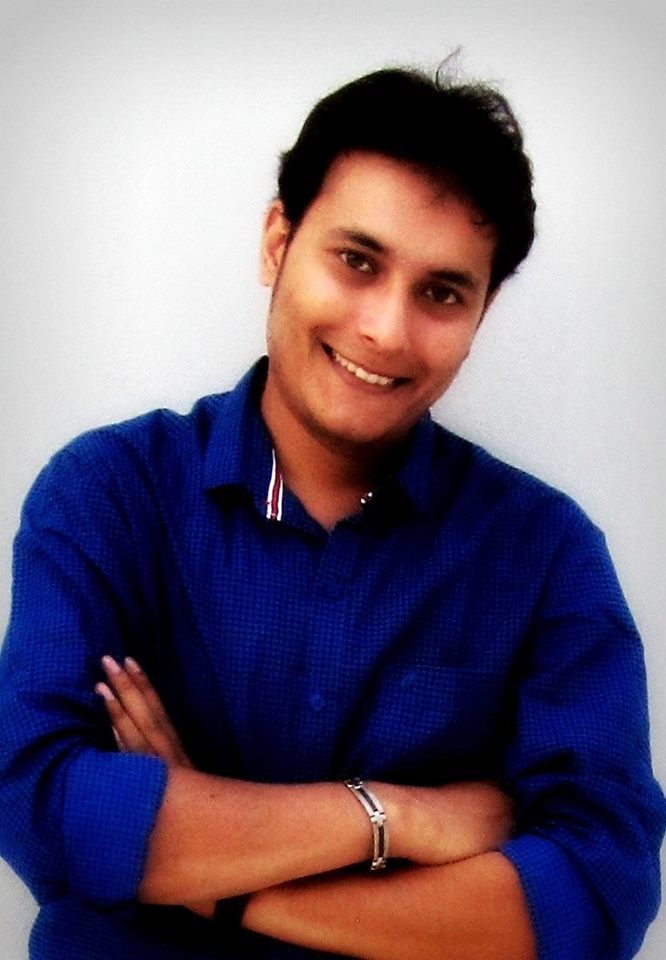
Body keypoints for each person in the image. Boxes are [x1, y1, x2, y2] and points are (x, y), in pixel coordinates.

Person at [0, 65, 663, 960]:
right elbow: (40, 808)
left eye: (441, 292)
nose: (387, 329)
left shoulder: (546, 555)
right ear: (278, 241)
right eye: (357, 262)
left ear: (483, 310)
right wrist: (396, 816)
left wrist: (215, 885)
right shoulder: (108, 493)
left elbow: (590, 898)